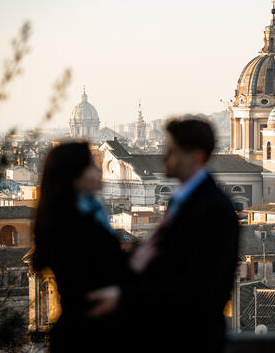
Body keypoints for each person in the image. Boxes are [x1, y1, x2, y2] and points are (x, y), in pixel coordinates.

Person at [88, 118, 240, 352]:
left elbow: (197, 285)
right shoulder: (183, 202)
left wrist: (125, 297)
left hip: (193, 337)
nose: (164, 157)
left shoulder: (213, 209)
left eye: (171, 151)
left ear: (196, 158)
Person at [32, 141, 129, 352]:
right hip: (86, 336)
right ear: (75, 175)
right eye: (93, 165)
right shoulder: (66, 223)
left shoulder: (88, 213)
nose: (100, 170)